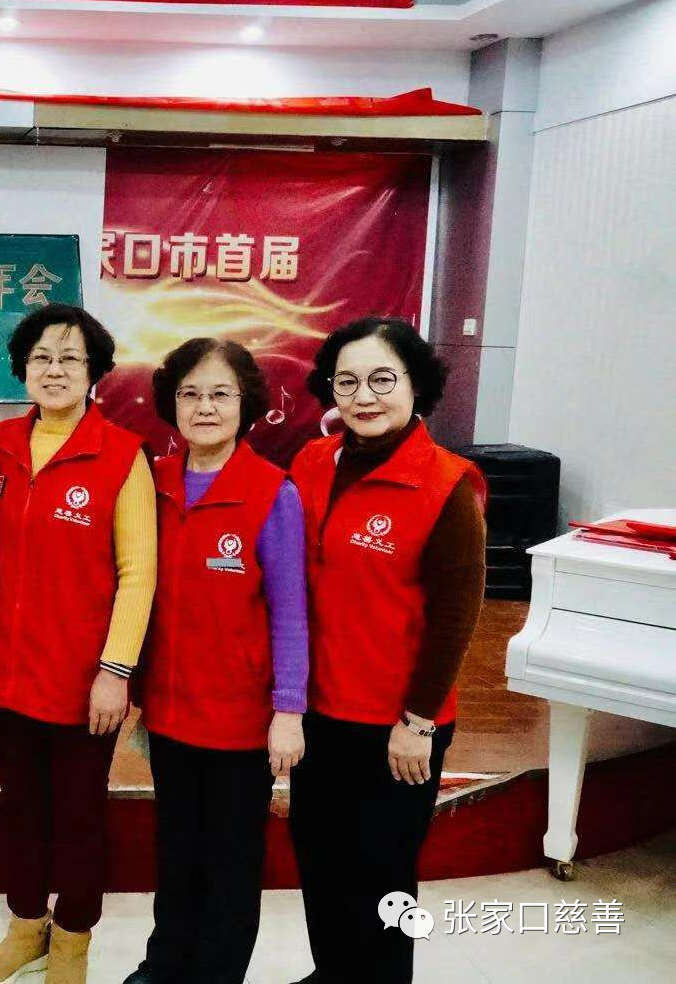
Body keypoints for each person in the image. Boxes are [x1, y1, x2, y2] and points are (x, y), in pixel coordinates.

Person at [286, 317, 486, 984]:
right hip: (319, 712)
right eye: (346, 382)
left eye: (381, 379)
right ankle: (331, 974)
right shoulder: (312, 463)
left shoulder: (447, 484)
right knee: (320, 858)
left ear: (414, 383)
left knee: (382, 878)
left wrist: (418, 721)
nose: (363, 396)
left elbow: (455, 616)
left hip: (397, 724)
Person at [0, 303, 156, 984]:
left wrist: (115, 670)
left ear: (93, 372)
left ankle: (73, 940)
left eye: (70, 358)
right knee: (20, 810)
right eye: (41, 357)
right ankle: (26, 928)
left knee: (78, 817)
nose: (54, 370)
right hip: (9, 672)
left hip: (85, 682)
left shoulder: (122, 454)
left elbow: (138, 573)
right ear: (22, 368)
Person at [124, 339, 308, 984]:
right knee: (176, 848)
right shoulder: (152, 481)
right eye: (190, 394)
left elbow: (290, 612)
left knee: (230, 861)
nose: (204, 408)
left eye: (220, 394)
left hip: (240, 720)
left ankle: (216, 972)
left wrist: (289, 710)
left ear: (246, 403)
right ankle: (165, 961)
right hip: (170, 713)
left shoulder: (272, 493)